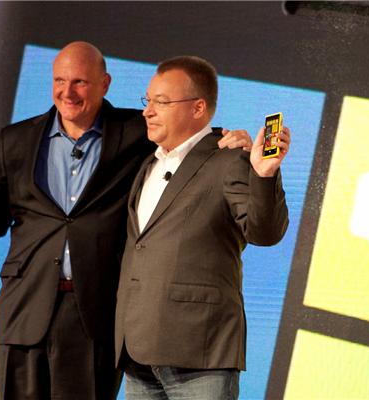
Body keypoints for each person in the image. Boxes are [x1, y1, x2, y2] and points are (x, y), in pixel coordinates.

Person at [0, 42, 252, 399]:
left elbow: (184, 133)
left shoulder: (136, 132)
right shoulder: (16, 139)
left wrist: (229, 138)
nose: (68, 92)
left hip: (96, 314)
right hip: (25, 309)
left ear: (105, 83)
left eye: (80, 82)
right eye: (59, 81)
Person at [114, 56, 291, 400]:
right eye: (147, 100)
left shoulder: (230, 159)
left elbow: (265, 233)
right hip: (137, 353)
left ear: (198, 108)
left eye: (161, 102)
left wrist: (264, 174)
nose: (147, 111)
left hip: (199, 355)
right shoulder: (148, 163)